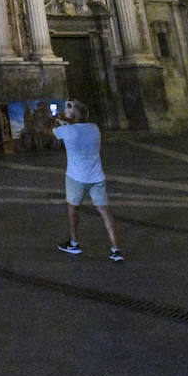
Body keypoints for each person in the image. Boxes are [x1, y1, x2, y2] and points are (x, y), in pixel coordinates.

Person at [52, 100, 123, 262]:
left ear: (73, 116)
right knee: (105, 212)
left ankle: (74, 243)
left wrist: (53, 117)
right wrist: (67, 117)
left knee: (72, 209)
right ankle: (115, 250)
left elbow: (47, 131)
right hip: (96, 177)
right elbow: (78, 123)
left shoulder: (68, 131)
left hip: (76, 177)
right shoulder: (94, 128)